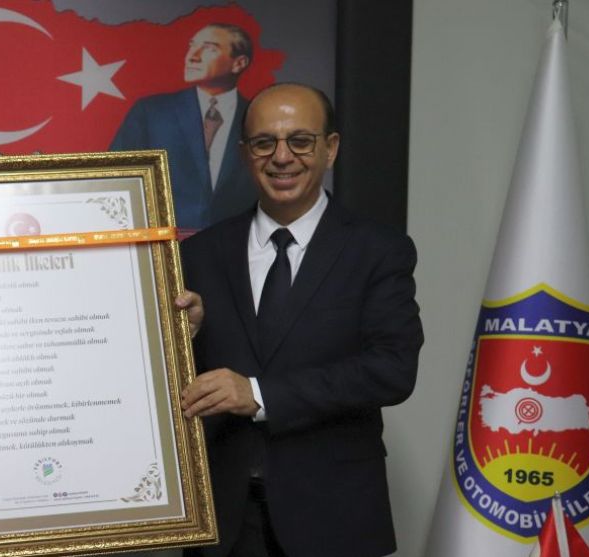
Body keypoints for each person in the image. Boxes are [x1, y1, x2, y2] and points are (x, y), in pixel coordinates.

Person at [179, 83, 423, 556]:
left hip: (335, 517)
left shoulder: (378, 250)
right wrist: (185, 339)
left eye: (300, 141)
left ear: (330, 148)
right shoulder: (200, 254)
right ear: (245, 153)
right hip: (222, 522)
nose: (282, 157)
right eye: (264, 142)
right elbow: (178, 385)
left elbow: (393, 370)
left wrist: (259, 394)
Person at [110, 23, 259, 233]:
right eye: (192, 46)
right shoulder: (151, 112)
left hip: (238, 244)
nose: (192, 56)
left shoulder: (259, 119)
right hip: (163, 244)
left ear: (239, 63)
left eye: (209, 48)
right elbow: (116, 180)